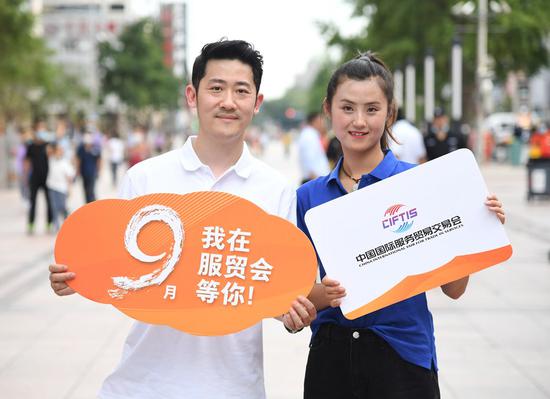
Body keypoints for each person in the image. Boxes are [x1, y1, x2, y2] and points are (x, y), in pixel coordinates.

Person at [48, 39, 316, 399]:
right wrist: (75, 274)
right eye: (216, 88)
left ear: (257, 103)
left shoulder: (277, 190)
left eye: (241, 91)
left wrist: (291, 313)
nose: (228, 102)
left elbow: (271, 289)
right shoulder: (145, 178)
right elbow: (114, 267)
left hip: (235, 387)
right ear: (192, 96)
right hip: (143, 386)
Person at [296, 52, 506, 398]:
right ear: (328, 110)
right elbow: (301, 293)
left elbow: (453, 289)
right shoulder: (309, 197)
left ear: (390, 113)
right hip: (331, 361)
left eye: (372, 109)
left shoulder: (420, 185)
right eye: (347, 108)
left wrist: (474, 227)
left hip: (403, 357)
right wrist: (327, 296)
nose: (359, 120)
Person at [25, 120, 53, 234]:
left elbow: (55, 157)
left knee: (49, 202)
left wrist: (49, 150)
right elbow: (27, 162)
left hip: (47, 178)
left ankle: (49, 223)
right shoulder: (30, 146)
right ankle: (31, 224)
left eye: (43, 128)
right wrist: (26, 176)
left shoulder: (48, 146)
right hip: (34, 178)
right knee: (32, 202)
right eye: (40, 128)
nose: (41, 131)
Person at [46, 142, 75, 231]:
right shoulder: (51, 159)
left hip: (62, 188)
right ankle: (56, 226)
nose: (58, 152)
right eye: (57, 150)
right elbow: (48, 150)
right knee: (54, 207)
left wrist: (70, 188)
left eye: (60, 150)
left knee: (62, 207)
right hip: (52, 187)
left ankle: (68, 222)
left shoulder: (65, 162)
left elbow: (70, 176)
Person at [297, 111, 330, 184]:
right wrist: (320, 185)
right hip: (315, 181)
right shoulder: (309, 137)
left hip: (316, 180)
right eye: (322, 121)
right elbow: (310, 163)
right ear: (315, 122)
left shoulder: (311, 135)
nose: (324, 124)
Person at [76, 132, 101, 203]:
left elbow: (99, 160)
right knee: (85, 190)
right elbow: (78, 159)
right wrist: (78, 171)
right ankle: (87, 204)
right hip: (84, 172)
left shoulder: (95, 148)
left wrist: (99, 170)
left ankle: (93, 204)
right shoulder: (81, 148)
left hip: (92, 172)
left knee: (91, 190)